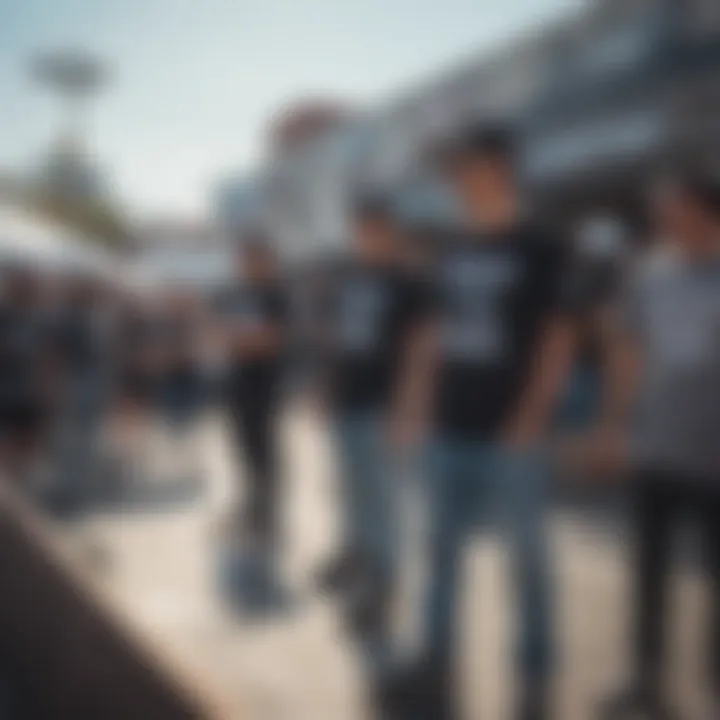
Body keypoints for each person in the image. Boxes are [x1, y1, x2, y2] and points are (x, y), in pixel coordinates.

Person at [391, 124, 577, 720]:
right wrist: (414, 406)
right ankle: (435, 667)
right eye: (453, 172)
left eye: (465, 167)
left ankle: (535, 679)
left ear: (499, 169)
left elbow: (558, 339)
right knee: (439, 553)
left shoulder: (541, 247)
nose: (456, 182)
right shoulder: (451, 251)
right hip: (451, 429)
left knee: (527, 561)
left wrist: (530, 418)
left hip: (513, 436)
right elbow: (434, 338)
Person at [596, 168, 720, 720]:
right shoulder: (649, 276)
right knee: (649, 573)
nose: (663, 219)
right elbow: (630, 354)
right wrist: (618, 427)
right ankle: (647, 680)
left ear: (703, 210)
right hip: (658, 449)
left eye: (673, 207)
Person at [314, 193, 431, 711]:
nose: (366, 236)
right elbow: (338, 342)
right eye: (359, 228)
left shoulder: (410, 282)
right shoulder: (349, 279)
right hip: (348, 407)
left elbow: (421, 349)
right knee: (356, 506)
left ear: (390, 230)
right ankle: (364, 595)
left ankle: (384, 601)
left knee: (386, 511)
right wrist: (325, 391)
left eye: (374, 228)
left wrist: (408, 410)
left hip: (385, 411)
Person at [215, 231, 291, 612]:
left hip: (264, 389)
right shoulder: (234, 295)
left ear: (266, 260)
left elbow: (268, 341)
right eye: (243, 257)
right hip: (236, 388)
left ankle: (269, 522)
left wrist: (236, 337)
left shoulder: (275, 295)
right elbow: (220, 335)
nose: (245, 264)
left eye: (253, 257)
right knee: (244, 459)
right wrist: (237, 337)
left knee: (266, 460)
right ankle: (252, 512)